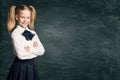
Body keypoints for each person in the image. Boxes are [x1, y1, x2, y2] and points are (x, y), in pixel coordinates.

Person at [7, 4, 45, 80]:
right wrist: (34, 48)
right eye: (22, 17)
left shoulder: (33, 33)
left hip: (31, 66)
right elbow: (21, 55)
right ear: (17, 17)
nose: (25, 20)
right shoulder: (15, 33)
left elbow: (42, 51)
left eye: (28, 17)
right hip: (20, 68)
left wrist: (29, 49)